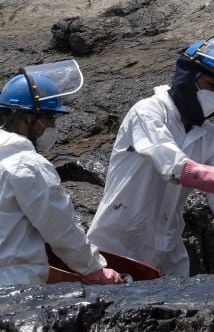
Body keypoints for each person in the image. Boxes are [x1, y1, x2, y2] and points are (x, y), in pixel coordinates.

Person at [88, 36, 214, 276]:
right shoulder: (148, 112)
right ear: (188, 77)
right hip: (116, 245)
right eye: (210, 85)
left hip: (167, 252)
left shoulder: (213, 138)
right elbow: (174, 167)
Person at [0, 60, 122, 285]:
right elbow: (59, 227)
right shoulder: (27, 164)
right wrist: (93, 269)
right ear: (29, 118)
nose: (52, 127)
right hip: (15, 288)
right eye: (49, 119)